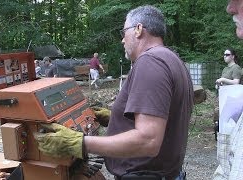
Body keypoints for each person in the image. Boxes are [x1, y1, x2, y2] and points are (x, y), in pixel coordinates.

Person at [34, 5, 193, 180]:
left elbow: (149, 141)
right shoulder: (172, 59)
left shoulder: (150, 63)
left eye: (124, 32)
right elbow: (164, 116)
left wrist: (80, 143)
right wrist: (117, 118)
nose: (122, 40)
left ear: (138, 29)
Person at [213, 1, 243, 179]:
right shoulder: (225, 68)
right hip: (224, 101)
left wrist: (224, 80)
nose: (229, 8)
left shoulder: (236, 68)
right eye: (223, 54)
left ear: (232, 56)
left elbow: (237, 83)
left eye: (227, 54)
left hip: (234, 103)